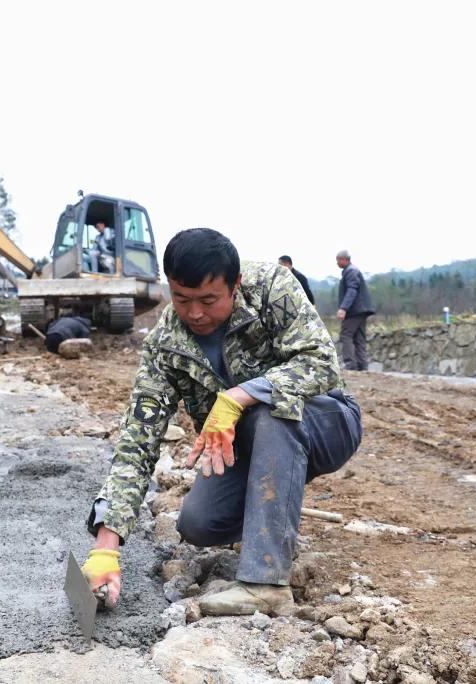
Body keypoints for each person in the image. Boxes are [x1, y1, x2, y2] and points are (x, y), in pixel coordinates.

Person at [81, 228, 362, 616]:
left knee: (267, 410)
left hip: (328, 422)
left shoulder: (271, 289)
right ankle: (275, 505)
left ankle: (266, 583)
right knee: (199, 524)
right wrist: (105, 545)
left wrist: (239, 395)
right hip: (251, 448)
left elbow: (321, 364)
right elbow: (137, 441)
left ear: (236, 285)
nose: (195, 313)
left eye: (208, 300)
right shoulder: (165, 344)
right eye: (182, 299)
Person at [335, 250, 375, 371]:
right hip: (361, 309)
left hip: (354, 310)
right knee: (359, 338)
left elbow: (352, 290)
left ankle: (350, 365)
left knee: (345, 335)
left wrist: (343, 308)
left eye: (338, 260)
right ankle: (362, 366)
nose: (337, 263)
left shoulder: (351, 271)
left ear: (344, 259)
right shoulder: (352, 270)